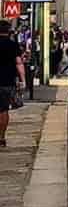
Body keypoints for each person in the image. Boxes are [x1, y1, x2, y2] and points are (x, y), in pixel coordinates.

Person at [0, 20, 26, 149]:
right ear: (9, 31)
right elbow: (19, 63)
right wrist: (23, 80)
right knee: (3, 110)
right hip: (6, 82)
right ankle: (2, 137)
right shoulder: (13, 45)